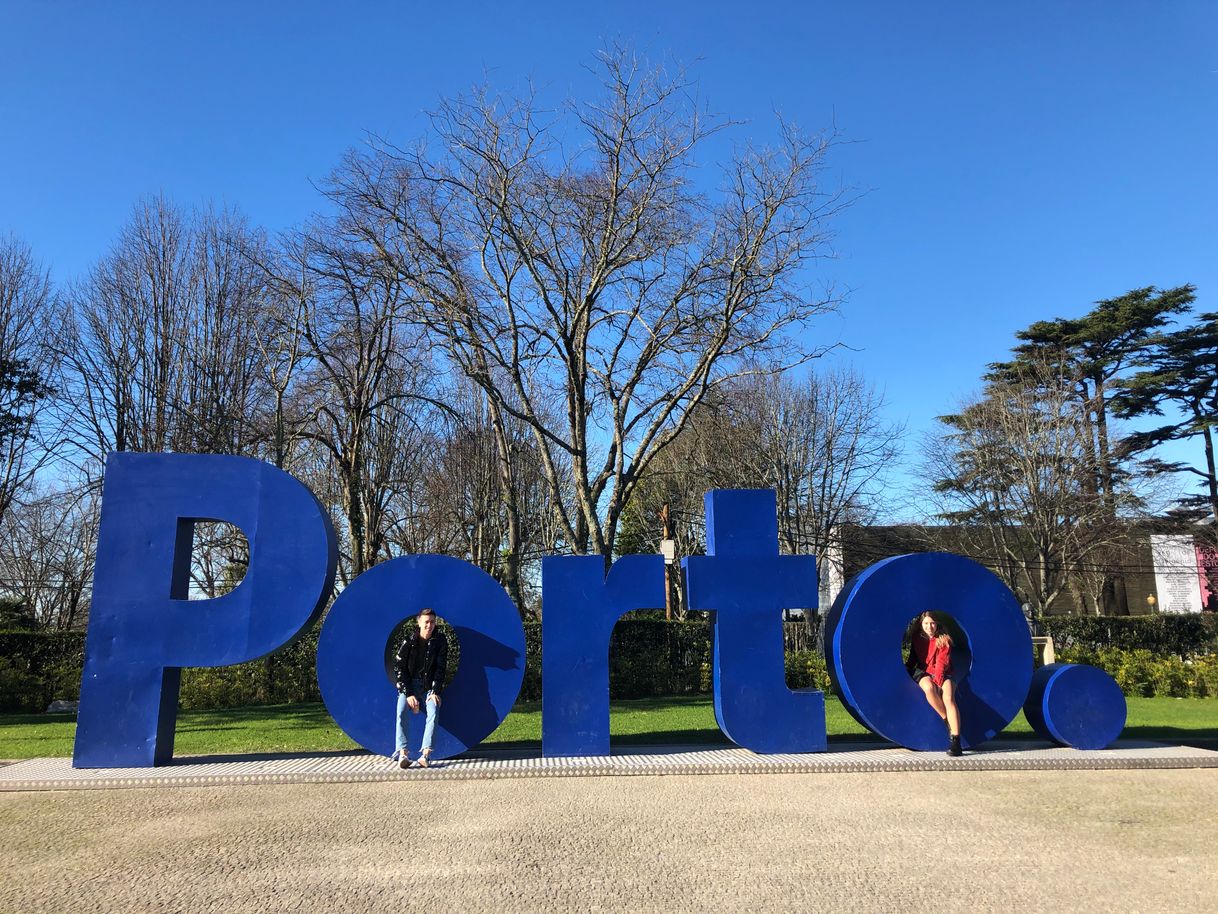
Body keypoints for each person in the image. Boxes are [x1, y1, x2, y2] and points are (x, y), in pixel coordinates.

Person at [392, 607, 448, 769]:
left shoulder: (440, 640)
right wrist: (409, 693)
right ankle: (403, 753)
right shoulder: (409, 641)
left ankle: (426, 755)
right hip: (409, 685)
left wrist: (436, 690)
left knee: (434, 710)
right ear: (419, 622)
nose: (429, 625)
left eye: (432, 622)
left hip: (428, 687)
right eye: (426, 622)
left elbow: (440, 667)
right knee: (401, 710)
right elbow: (399, 668)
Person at [906, 611, 962, 757]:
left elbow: (943, 663)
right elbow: (913, 657)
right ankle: (946, 720)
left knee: (949, 697)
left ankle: (956, 741)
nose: (929, 627)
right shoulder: (917, 638)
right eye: (926, 623)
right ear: (921, 625)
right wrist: (906, 669)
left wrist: (939, 679)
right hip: (924, 672)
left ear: (937, 624)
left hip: (944, 672)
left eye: (932, 623)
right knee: (929, 688)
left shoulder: (944, 639)